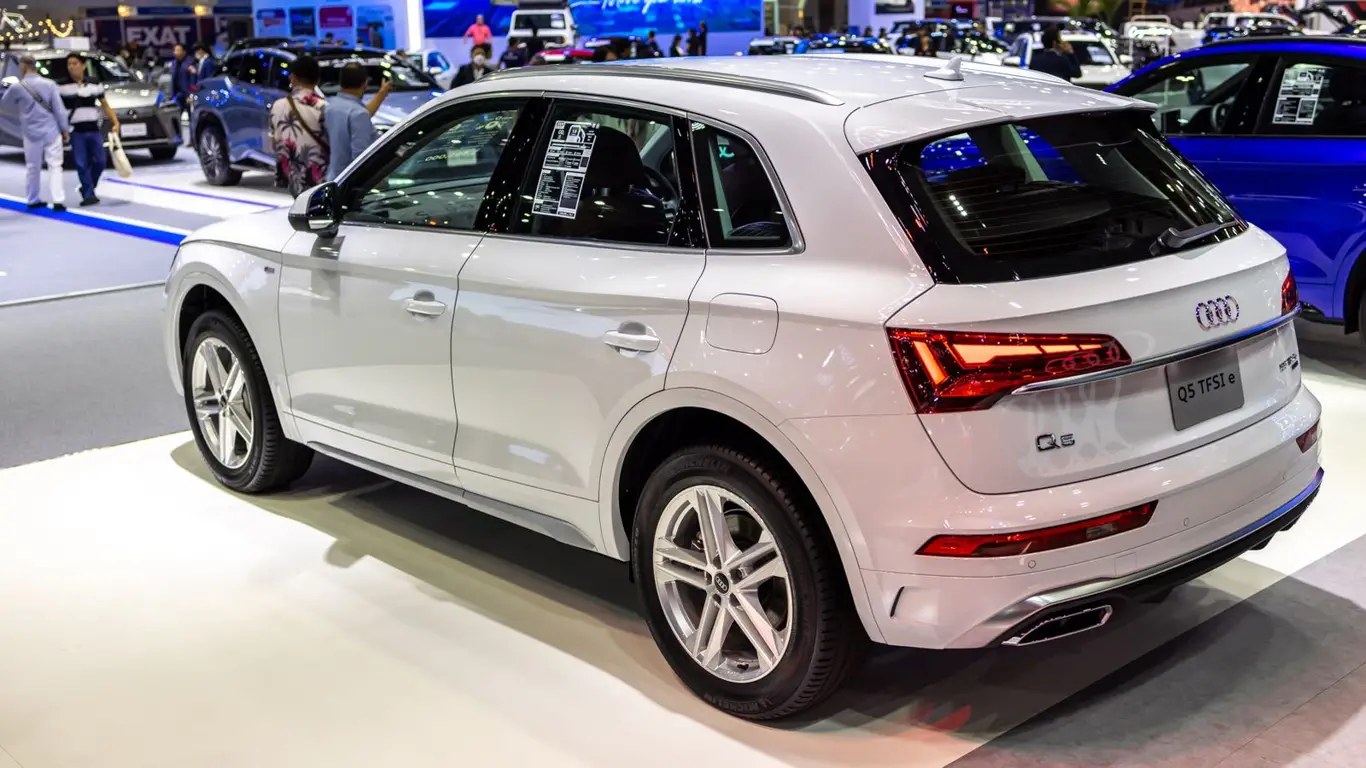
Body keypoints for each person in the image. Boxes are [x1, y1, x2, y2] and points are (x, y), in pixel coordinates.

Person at [0, 55, 70, 211]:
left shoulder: (17, 87)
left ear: (23, 67)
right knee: (55, 166)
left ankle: (32, 199)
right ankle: (58, 200)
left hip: (30, 132)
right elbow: (59, 110)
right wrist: (65, 129)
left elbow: (4, 105)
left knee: (33, 167)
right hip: (51, 130)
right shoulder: (50, 84)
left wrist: (22, 112)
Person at [60, 54, 120, 206]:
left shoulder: (94, 83)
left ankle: (89, 186)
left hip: (93, 128)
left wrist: (115, 121)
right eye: (69, 64)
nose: (71, 67)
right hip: (76, 130)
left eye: (74, 63)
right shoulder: (62, 86)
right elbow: (58, 109)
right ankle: (88, 194)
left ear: (83, 66)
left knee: (100, 161)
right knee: (81, 164)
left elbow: (105, 104)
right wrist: (62, 129)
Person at [269, 55, 328, 197]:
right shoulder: (324, 107)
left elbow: (274, 142)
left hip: (292, 176)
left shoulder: (277, 106)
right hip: (320, 176)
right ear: (317, 79)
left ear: (292, 78)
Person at [325, 62, 393, 180]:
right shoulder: (359, 114)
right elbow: (361, 158)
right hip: (351, 183)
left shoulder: (331, 107)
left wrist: (382, 93)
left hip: (333, 177)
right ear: (365, 83)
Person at [169, 43, 195, 124]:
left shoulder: (190, 62)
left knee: (192, 118)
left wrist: (191, 94)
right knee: (175, 118)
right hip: (178, 94)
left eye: (178, 50)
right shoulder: (174, 63)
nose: (175, 52)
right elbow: (173, 80)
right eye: (175, 50)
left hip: (188, 95)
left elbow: (193, 80)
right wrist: (173, 95)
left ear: (184, 52)